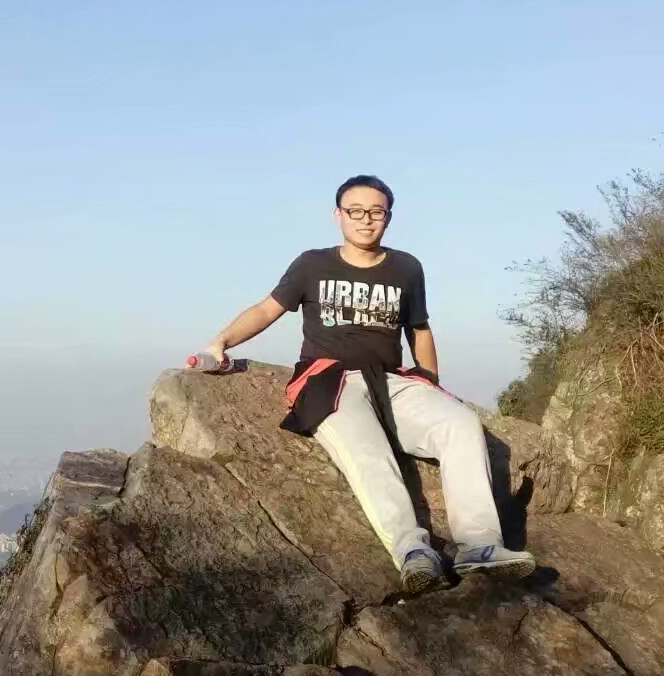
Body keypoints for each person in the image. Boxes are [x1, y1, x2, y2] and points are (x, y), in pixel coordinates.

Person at [195, 174, 536, 595]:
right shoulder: (312, 264)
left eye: (376, 212)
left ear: (388, 217)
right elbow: (267, 309)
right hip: (328, 381)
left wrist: (430, 382)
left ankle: (480, 545)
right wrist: (221, 343)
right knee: (369, 453)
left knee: (460, 424)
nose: (366, 219)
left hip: (390, 380)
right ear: (338, 215)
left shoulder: (406, 267)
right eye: (355, 211)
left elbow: (419, 329)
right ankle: (413, 552)